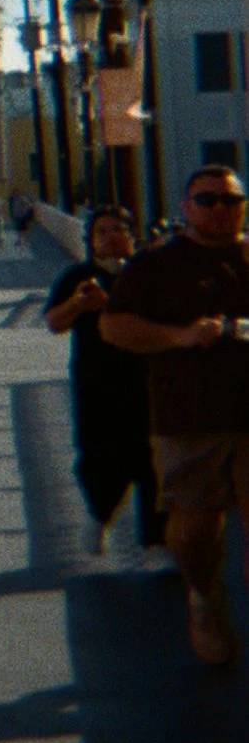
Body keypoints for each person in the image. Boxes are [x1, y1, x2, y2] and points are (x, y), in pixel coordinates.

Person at [102, 165, 249, 667]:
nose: (220, 210)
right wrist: (181, 337)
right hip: (189, 417)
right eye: (207, 200)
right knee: (194, 533)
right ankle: (204, 596)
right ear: (186, 207)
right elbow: (115, 327)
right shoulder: (155, 266)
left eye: (230, 200)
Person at [44, 206, 161, 558]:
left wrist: (106, 303)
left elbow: (153, 320)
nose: (110, 237)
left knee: (150, 461)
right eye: (102, 232)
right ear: (91, 240)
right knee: (98, 458)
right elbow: (54, 322)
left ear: (132, 235)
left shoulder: (148, 276)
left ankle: (155, 543)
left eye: (117, 230)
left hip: (146, 381)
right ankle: (99, 514)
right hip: (97, 383)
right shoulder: (77, 277)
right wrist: (79, 305)